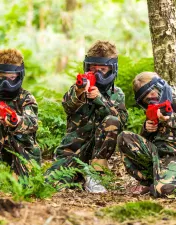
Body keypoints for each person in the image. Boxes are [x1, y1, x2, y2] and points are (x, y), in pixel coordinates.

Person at [48, 41, 128, 193]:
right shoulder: (78, 88)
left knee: (112, 121)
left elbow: (121, 121)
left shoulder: (117, 94)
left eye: (102, 69)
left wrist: (100, 99)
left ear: (112, 69)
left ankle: (95, 175)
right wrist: (79, 92)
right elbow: (67, 106)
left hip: (96, 152)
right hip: (73, 150)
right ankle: (80, 176)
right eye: (93, 69)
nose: (97, 74)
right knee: (52, 183)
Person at [117, 72, 176, 197]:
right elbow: (142, 142)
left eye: (152, 93)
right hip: (156, 156)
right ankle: (149, 181)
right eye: (146, 98)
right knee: (124, 137)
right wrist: (146, 129)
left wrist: (168, 118)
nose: (150, 98)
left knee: (163, 191)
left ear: (160, 87)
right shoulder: (152, 110)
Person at [0, 48, 41, 177]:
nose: (6, 82)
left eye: (11, 77)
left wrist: (16, 121)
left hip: (24, 154)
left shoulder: (26, 98)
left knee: (23, 183)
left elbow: (33, 123)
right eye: (2, 77)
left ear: (19, 76)